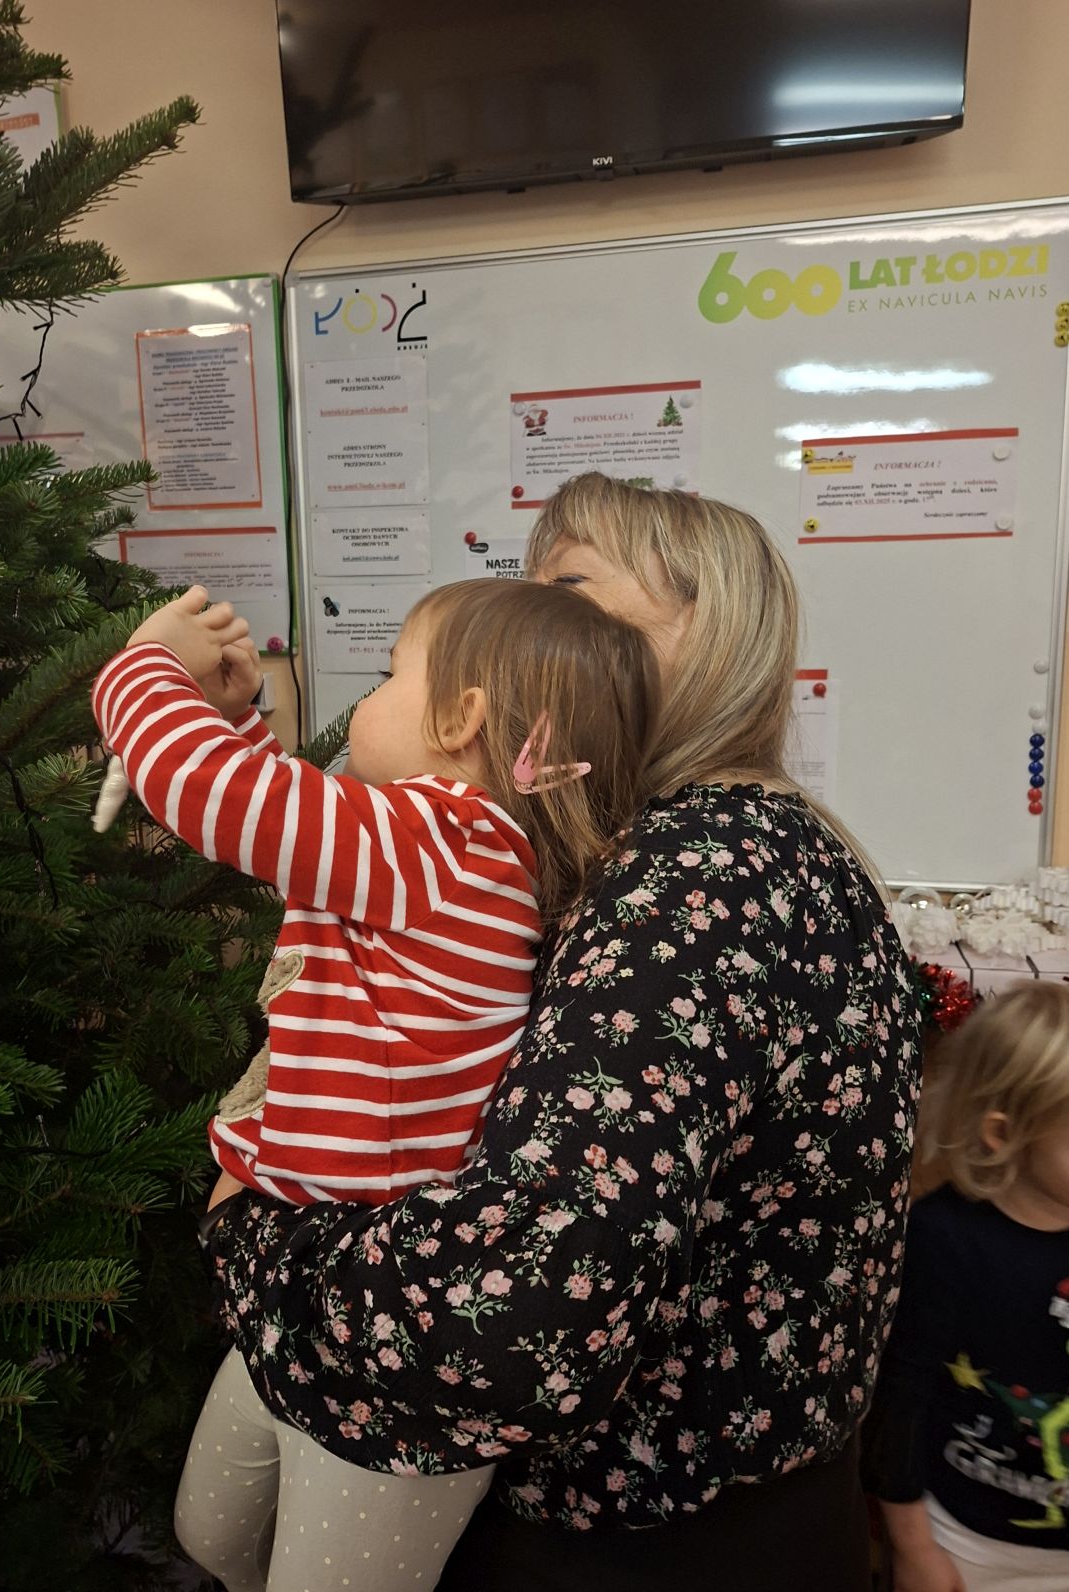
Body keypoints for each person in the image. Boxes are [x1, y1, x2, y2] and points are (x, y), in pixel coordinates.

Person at [200, 472, 922, 1592]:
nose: (521, 628)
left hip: (645, 1547)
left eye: (570, 594)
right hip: (721, 1513)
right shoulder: (721, 848)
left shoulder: (692, 881)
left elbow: (512, 1312)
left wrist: (250, 1236)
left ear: (715, 635)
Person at [90, 573, 659, 1592]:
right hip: (311, 1291)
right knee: (212, 1534)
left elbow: (222, 798)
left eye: (390, 675)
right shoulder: (435, 849)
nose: (370, 698)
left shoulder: (445, 839)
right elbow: (292, 827)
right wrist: (238, 718)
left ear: (460, 720)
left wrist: (146, 664)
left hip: (382, 1362)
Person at [862, 982, 1069, 1592]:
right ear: (1004, 1133)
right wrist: (912, 1547)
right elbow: (900, 1403)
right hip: (967, 1541)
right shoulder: (943, 1239)